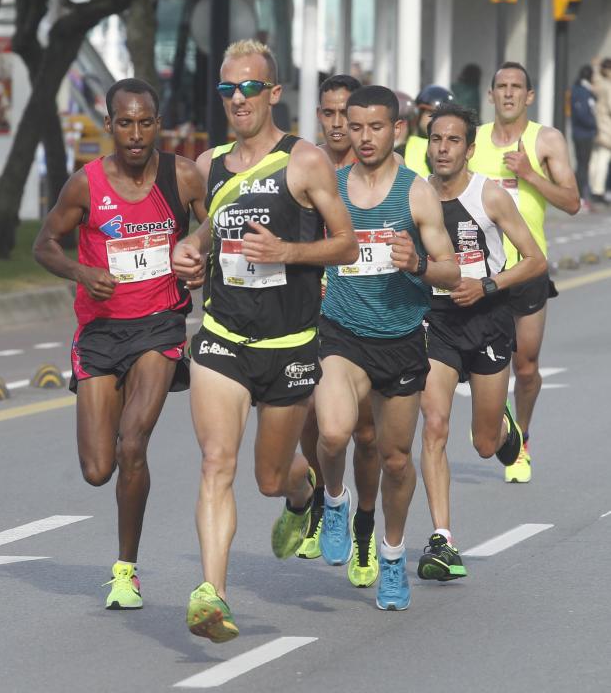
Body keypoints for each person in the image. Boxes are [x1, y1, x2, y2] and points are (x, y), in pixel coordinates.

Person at [171, 39, 358, 643]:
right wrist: (190, 253)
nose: (238, 100)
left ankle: (305, 497)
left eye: (250, 88)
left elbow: (347, 244)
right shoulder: (210, 165)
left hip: (290, 343)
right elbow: (208, 226)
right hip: (223, 335)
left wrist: (287, 252)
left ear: (273, 92)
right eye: (228, 90)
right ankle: (212, 594)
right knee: (215, 462)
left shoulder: (304, 161)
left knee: (271, 478)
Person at [33, 78, 207, 608]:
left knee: (134, 443)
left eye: (145, 122)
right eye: (125, 123)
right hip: (100, 331)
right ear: (108, 125)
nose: (135, 134)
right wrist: (82, 273)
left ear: (159, 124)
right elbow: (44, 245)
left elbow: (217, 228)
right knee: (97, 469)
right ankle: (123, 552)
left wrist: (201, 261)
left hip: (159, 324)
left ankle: (125, 570)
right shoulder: (85, 185)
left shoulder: (181, 176)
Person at [314, 85, 460, 611]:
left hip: (400, 339)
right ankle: (334, 501)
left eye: (376, 127)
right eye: (356, 127)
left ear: (397, 129)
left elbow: (451, 267)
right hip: (342, 334)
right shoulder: (329, 187)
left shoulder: (416, 192)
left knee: (396, 461)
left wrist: (416, 263)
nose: (365, 137)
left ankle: (392, 553)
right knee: (333, 432)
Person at [417, 103, 546, 581]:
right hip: (437, 322)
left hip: (488, 319)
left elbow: (534, 260)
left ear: (469, 149)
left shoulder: (488, 195)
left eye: (453, 141)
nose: (443, 148)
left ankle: (505, 433)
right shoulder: (416, 194)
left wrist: (488, 285)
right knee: (433, 423)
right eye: (436, 139)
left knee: (484, 444)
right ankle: (442, 538)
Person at [469, 62, 580, 483]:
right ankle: (493, 419)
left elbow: (571, 201)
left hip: (528, 266)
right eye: (501, 86)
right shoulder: (472, 140)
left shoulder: (545, 140)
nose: (509, 93)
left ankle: (522, 438)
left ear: (529, 96)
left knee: (527, 366)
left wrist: (531, 174)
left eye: (517, 87)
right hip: (481, 269)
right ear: (491, 94)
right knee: (478, 361)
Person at [295, 74, 382, 589]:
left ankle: (365, 530)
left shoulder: (375, 176)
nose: (336, 123)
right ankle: (326, 501)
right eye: (328, 113)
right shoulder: (302, 169)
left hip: (371, 323)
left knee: (368, 435)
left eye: (344, 114)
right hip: (313, 318)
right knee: (317, 424)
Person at [404, 85, 455, 178]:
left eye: (441, 115)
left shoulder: (454, 148)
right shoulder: (403, 147)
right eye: (431, 114)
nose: (435, 120)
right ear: (418, 113)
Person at [570, 64, 597, 208]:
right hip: (583, 133)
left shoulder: (586, 89)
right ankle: (580, 195)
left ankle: (582, 193)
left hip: (584, 132)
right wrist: (593, 125)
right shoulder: (580, 90)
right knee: (582, 165)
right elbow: (582, 113)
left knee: (583, 165)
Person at [590, 58, 611, 204]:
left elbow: (595, 76)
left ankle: (592, 188)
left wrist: (596, 66)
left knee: (595, 158)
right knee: (603, 158)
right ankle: (598, 190)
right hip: (606, 127)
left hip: (595, 125)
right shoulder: (608, 86)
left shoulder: (597, 83)